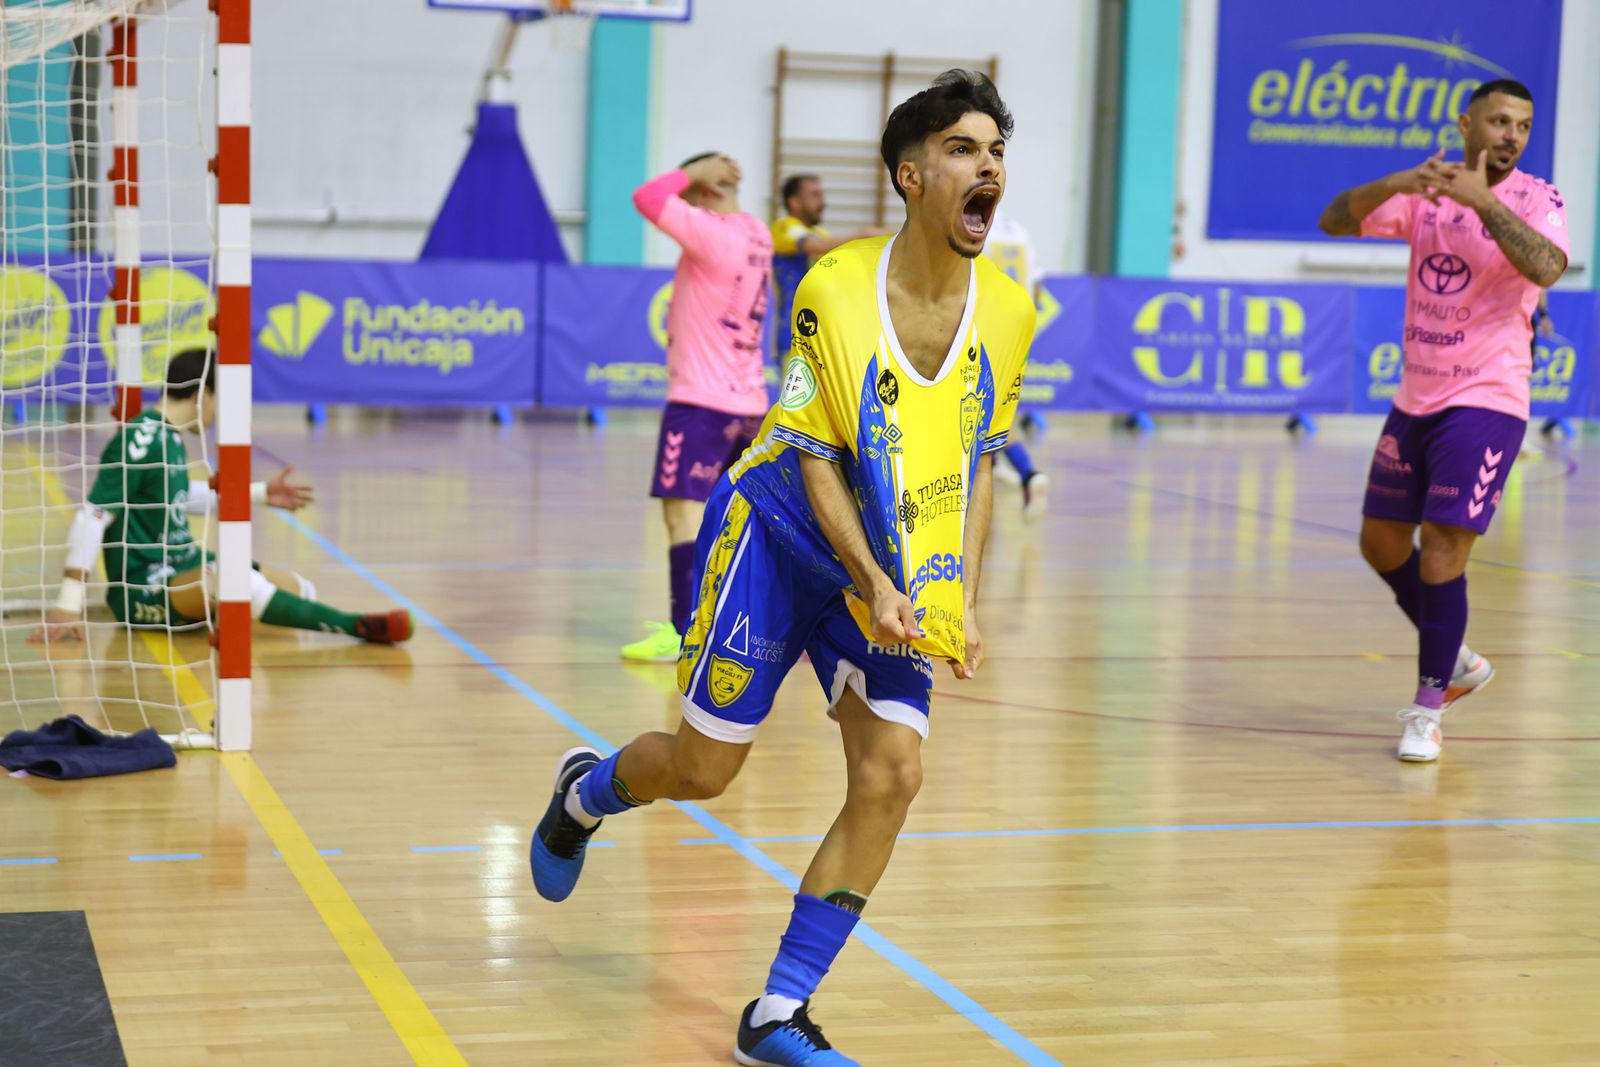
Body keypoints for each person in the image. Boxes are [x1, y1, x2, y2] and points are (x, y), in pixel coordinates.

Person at [531, 70, 1034, 1064]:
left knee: (894, 772)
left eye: (997, 152)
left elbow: (979, 460)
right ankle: (585, 793)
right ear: (911, 173)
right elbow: (809, 456)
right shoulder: (837, 290)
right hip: (779, 532)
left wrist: (958, 597)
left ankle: (777, 1011)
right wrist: (874, 581)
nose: (989, 168)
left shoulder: (1011, 313)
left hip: (889, 570)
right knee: (702, 770)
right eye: (965, 149)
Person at [1318, 79, 1567, 762]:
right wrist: (1402, 180)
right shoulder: (1427, 191)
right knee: (1379, 542)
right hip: (1416, 396)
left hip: (1489, 397)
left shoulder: (1537, 198)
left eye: (1522, 124)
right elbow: (1335, 218)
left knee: (1442, 550)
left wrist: (1483, 202)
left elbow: (1547, 265)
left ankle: (1428, 708)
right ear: (1467, 123)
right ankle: (1453, 655)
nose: (1511, 134)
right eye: (1498, 121)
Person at [31, 349, 412, 645]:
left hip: (185, 563)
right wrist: (68, 603)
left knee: (297, 588)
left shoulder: (170, 438)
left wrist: (259, 494)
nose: (218, 415)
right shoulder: (141, 438)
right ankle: (358, 626)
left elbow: (175, 497)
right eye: (220, 401)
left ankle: (225, 605)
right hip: (145, 584)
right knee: (236, 580)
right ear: (202, 395)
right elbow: (92, 516)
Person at [620, 152, 774, 664]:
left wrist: (695, 169)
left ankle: (682, 632)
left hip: (701, 402)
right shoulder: (757, 232)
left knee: (681, 518)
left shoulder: (713, 233)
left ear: (706, 192)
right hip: (749, 402)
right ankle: (749, 628)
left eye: (692, 195)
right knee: (741, 522)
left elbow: (647, 197)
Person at [983, 206, 1050, 519]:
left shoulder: (971, 227)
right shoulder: (1020, 231)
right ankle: (1004, 468)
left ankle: (1026, 472)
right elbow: (1037, 286)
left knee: (983, 412)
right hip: (1018, 331)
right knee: (999, 408)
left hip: (984, 331)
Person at [770, 175, 875, 365]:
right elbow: (811, 245)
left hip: (815, 334)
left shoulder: (822, 236)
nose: (822, 201)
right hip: (787, 332)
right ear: (794, 201)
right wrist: (864, 236)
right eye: (815, 195)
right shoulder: (784, 227)